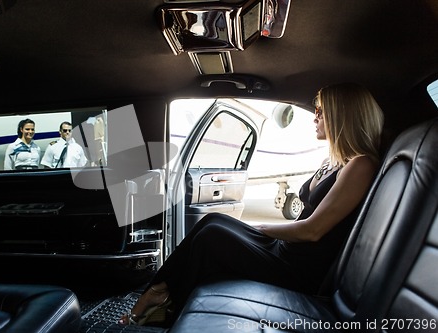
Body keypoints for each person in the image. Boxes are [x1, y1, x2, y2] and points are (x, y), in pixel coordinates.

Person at [118, 83, 385, 326]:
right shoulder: (335, 161)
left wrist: (261, 227)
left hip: (298, 269)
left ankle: (162, 301)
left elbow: (312, 230)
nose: (315, 117)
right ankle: (161, 293)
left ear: (343, 116)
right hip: (287, 251)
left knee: (212, 236)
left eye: (321, 111)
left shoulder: (360, 165)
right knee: (212, 221)